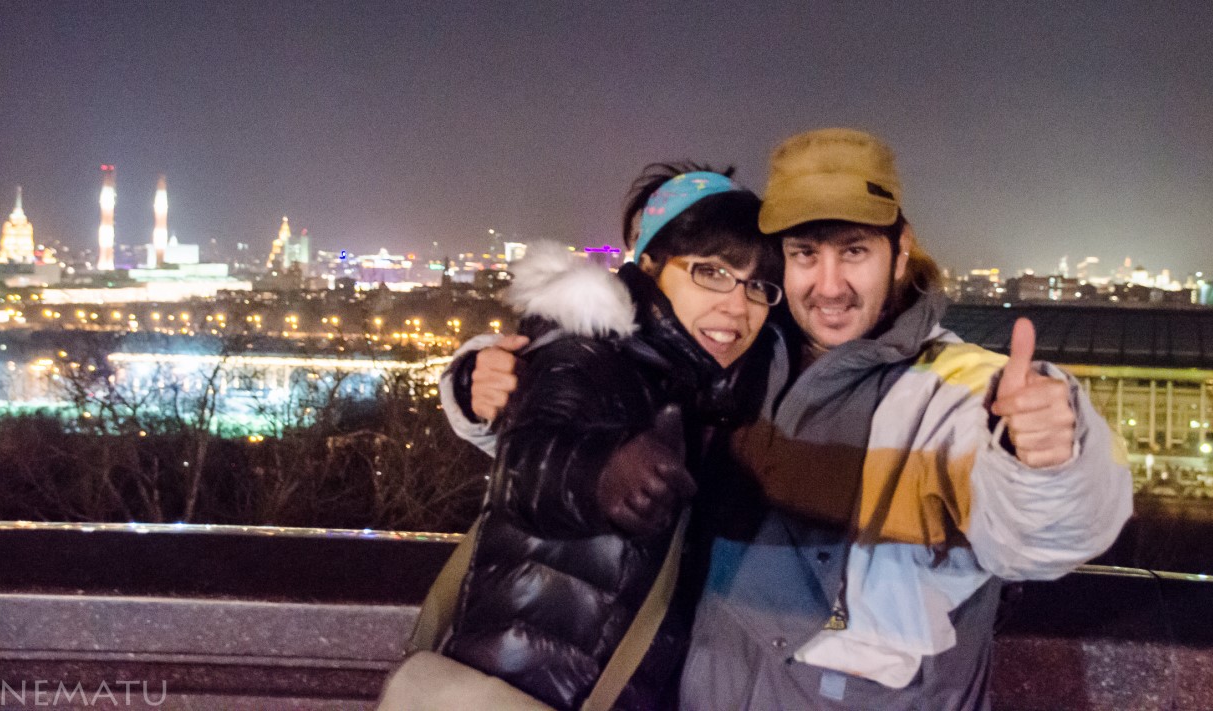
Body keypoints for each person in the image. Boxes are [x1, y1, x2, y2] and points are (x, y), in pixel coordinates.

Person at [455, 128, 1133, 709]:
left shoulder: (950, 388)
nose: (829, 286)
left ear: (900, 251)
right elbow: (588, 426)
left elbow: (1042, 539)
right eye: (805, 254)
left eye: (855, 251)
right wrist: (482, 381)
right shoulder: (739, 362)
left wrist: (1047, 460)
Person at [433, 163, 782, 710]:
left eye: (757, 286)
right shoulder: (588, 352)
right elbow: (531, 467)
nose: (737, 305)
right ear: (649, 266)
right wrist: (601, 473)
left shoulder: (706, 385)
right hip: (526, 690)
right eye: (710, 272)